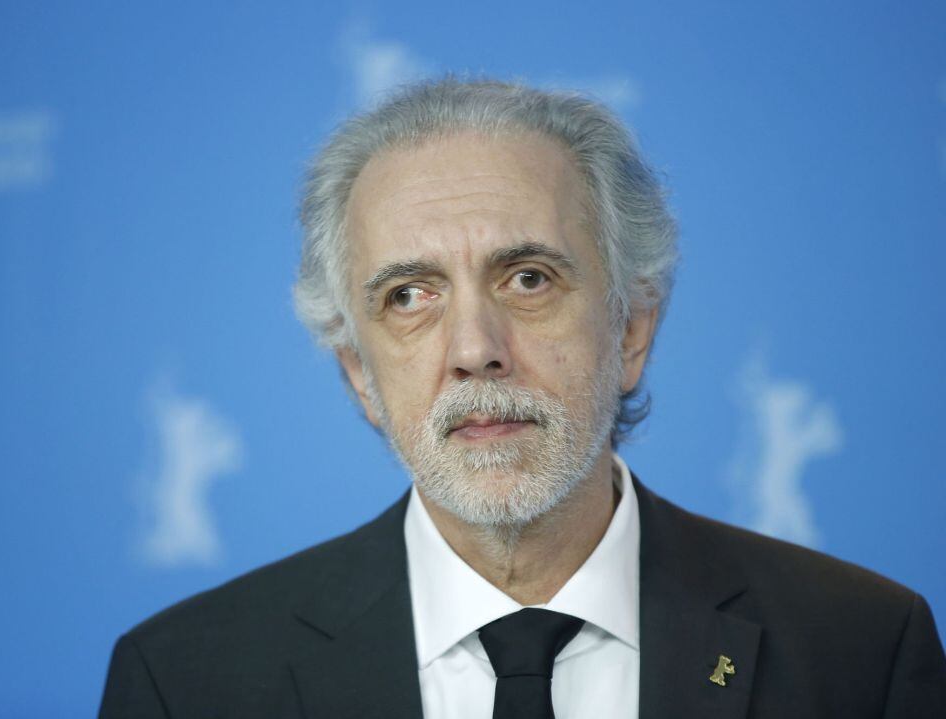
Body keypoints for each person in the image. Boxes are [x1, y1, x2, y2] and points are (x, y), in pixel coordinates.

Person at [99, 78, 946, 718]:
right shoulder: (185, 681)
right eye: (409, 295)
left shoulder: (860, 648)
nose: (475, 350)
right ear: (358, 370)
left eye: (529, 277)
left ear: (632, 329)